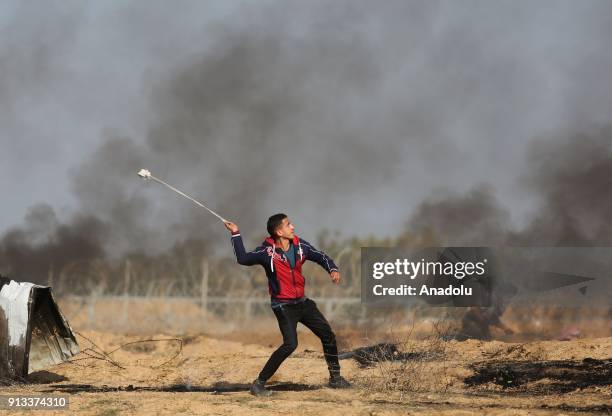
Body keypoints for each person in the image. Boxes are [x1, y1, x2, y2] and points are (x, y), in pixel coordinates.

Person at [224, 213, 351, 396]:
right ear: (279, 231)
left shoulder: (301, 246)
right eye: (288, 224)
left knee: (328, 335)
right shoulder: (266, 253)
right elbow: (243, 258)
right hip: (283, 305)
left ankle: (336, 379)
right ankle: (259, 383)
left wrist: (332, 269)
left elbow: (320, 256)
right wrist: (235, 233)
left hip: (303, 303)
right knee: (290, 344)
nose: (293, 227)